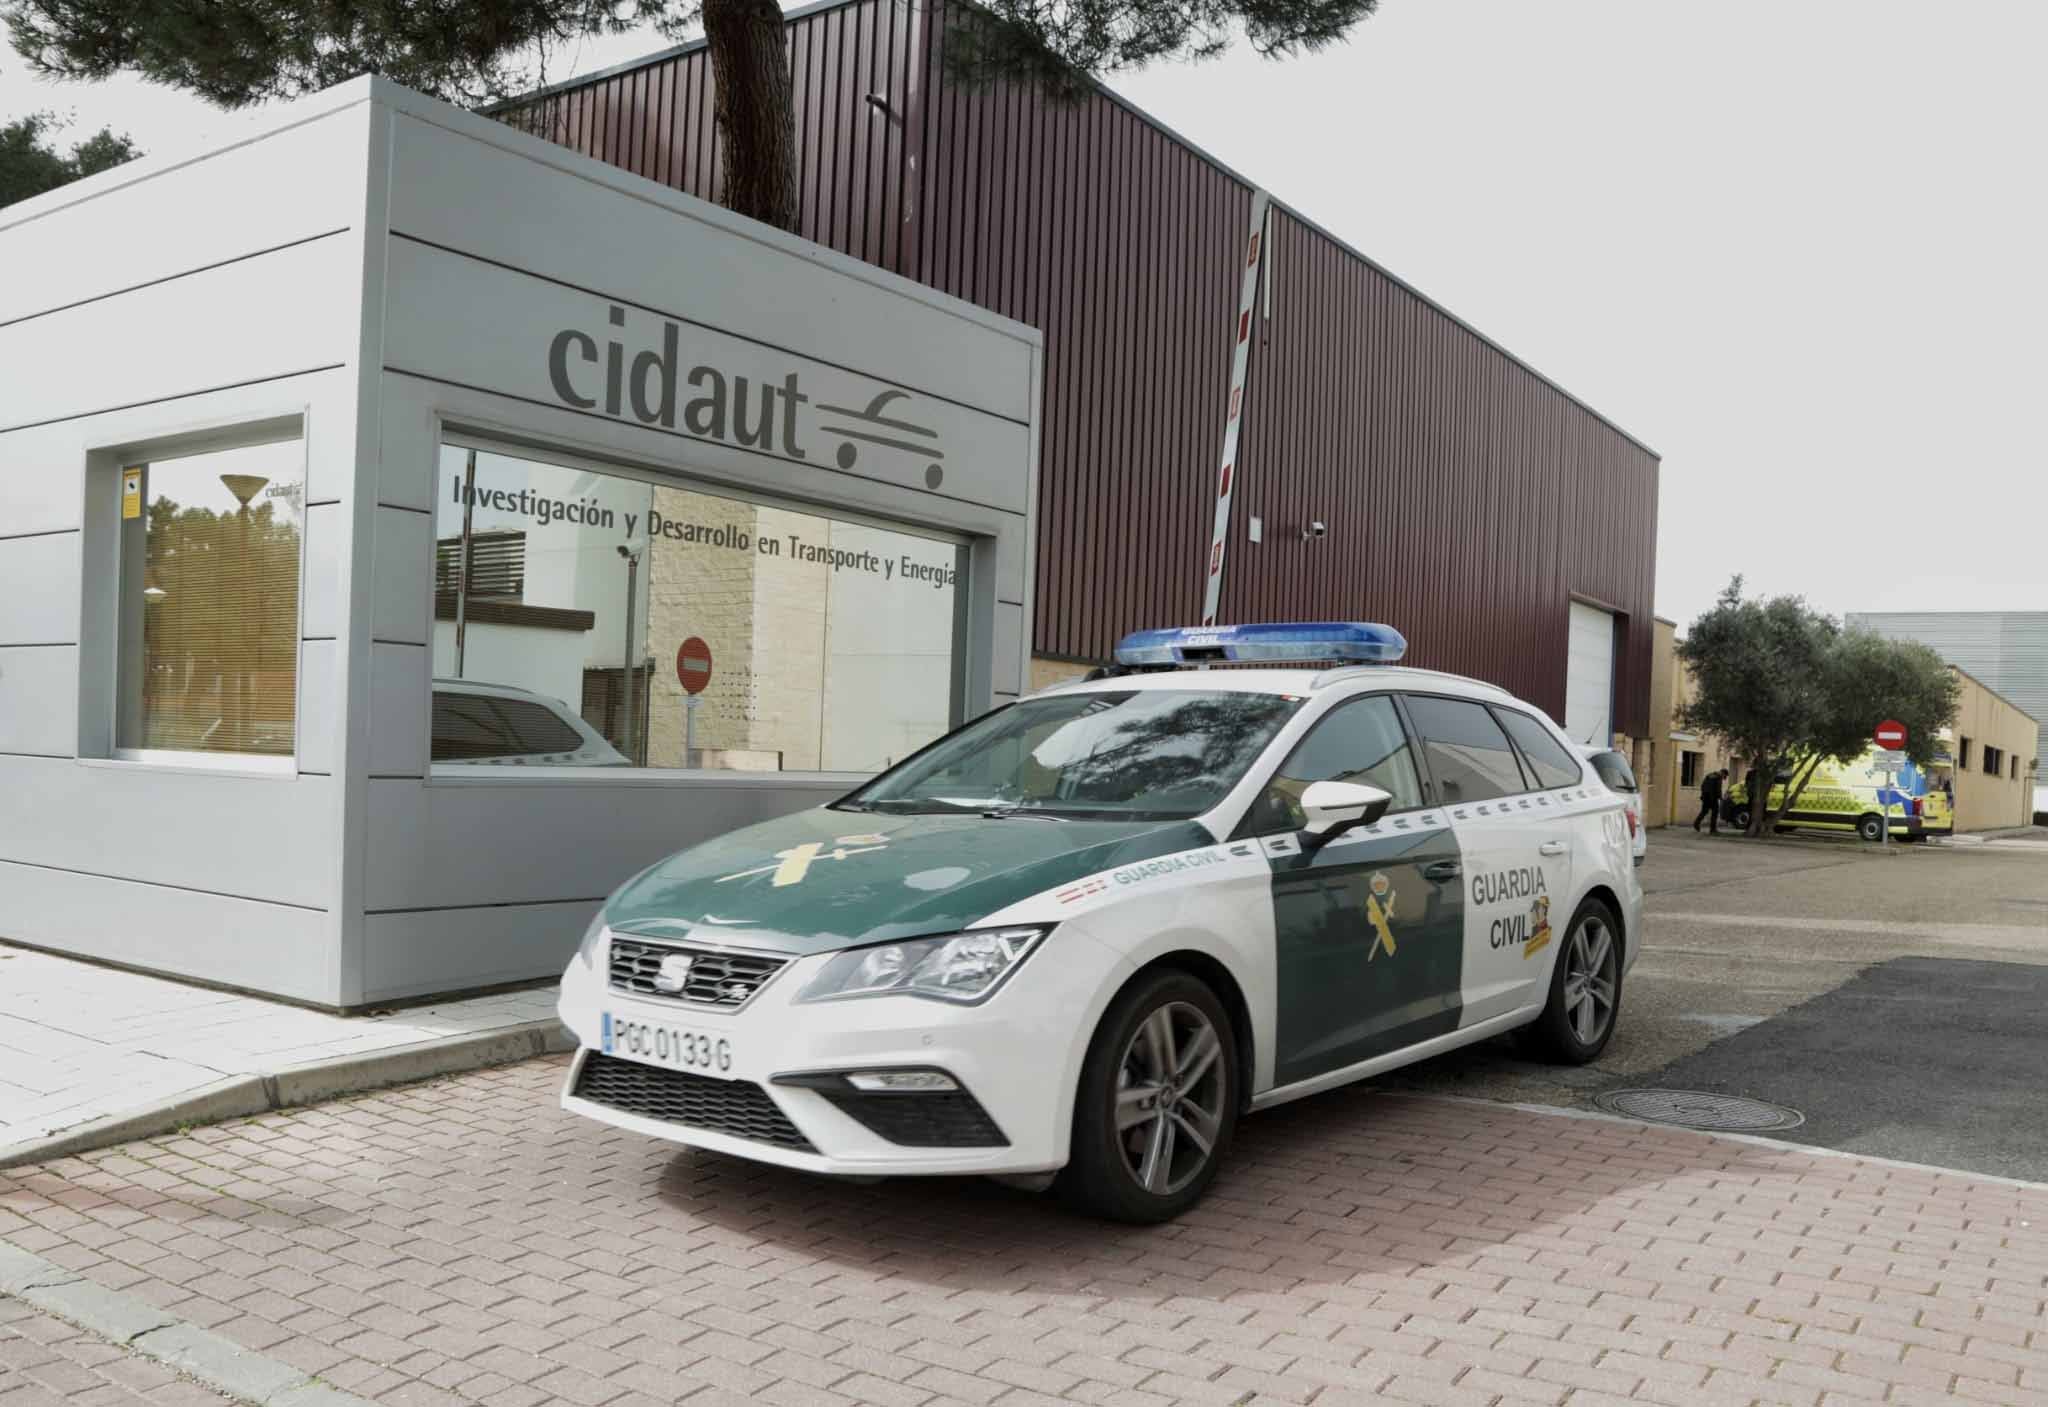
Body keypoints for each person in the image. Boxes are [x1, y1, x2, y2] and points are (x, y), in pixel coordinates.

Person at [1695, 767, 1723, 834]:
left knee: (1704, 811)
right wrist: (1720, 797)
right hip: (1712, 798)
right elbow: (1718, 789)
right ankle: (1713, 829)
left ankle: (1696, 823)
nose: (1724, 778)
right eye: (1725, 776)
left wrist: (1703, 795)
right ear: (1723, 773)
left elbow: (1702, 785)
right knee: (1715, 813)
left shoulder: (1709, 775)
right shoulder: (1719, 777)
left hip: (1705, 797)